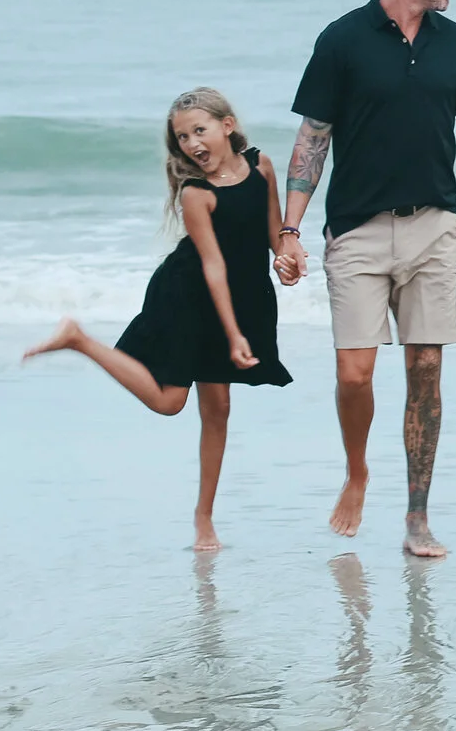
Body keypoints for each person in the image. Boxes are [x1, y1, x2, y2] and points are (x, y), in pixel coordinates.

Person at [274, 0, 456, 557]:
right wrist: (290, 229)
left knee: (426, 370)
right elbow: (314, 138)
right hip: (358, 229)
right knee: (354, 373)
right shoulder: (342, 40)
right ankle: (358, 471)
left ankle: (418, 516)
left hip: (434, 226)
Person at [23, 88, 293, 552]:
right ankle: (82, 340)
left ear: (227, 126)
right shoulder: (195, 193)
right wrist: (233, 335)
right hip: (189, 294)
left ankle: (204, 520)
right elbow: (211, 266)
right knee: (170, 403)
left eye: (198, 131)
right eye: (182, 137)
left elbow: (274, 233)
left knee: (219, 408)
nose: (191, 144)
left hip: (241, 293)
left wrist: (288, 256)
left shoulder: (262, 165)